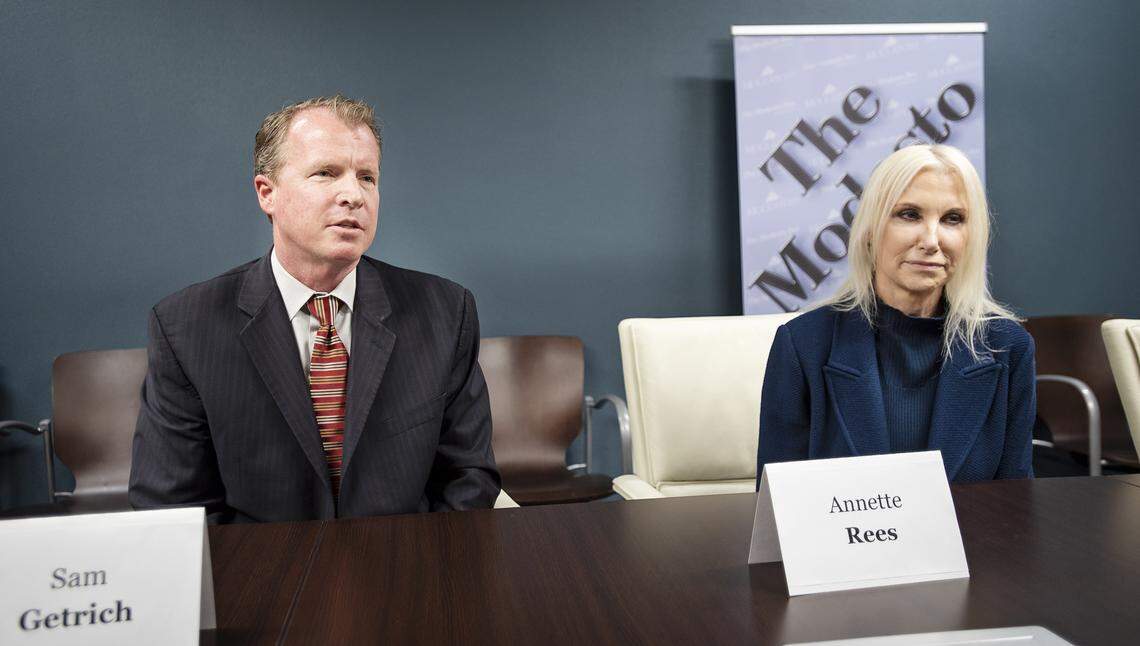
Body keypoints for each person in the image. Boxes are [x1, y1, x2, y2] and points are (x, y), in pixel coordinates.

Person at [130, 95, 500, 522]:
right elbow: (173, 507)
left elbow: (468, 478)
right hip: (261, 579)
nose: (354, 195)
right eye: (326, 173)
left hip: (406, 569)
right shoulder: (186, 327)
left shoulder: (445, 312)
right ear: (267, 193)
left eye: (367, 177)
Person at [756, 144, 1035, 484]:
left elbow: (1015, 508)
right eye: (909, 214)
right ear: (871, 229)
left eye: (952, 219)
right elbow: (780, 512)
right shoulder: (803, 346)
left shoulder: (1007, 347)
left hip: (973, 539)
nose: (932, 241)